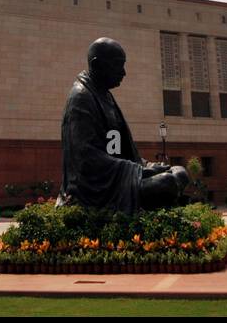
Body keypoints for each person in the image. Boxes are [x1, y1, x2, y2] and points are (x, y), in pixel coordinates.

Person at [59, 38, 188, 212]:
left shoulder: (105, 97)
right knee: (167, 183)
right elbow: (87, 158)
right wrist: (139, 172)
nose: (123, 72)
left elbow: (119, 151)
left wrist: (146, 166)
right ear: (97, 65)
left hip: (117, 177)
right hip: (95, 189)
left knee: (179, 172)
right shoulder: (82, 98)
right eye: (118, 65)